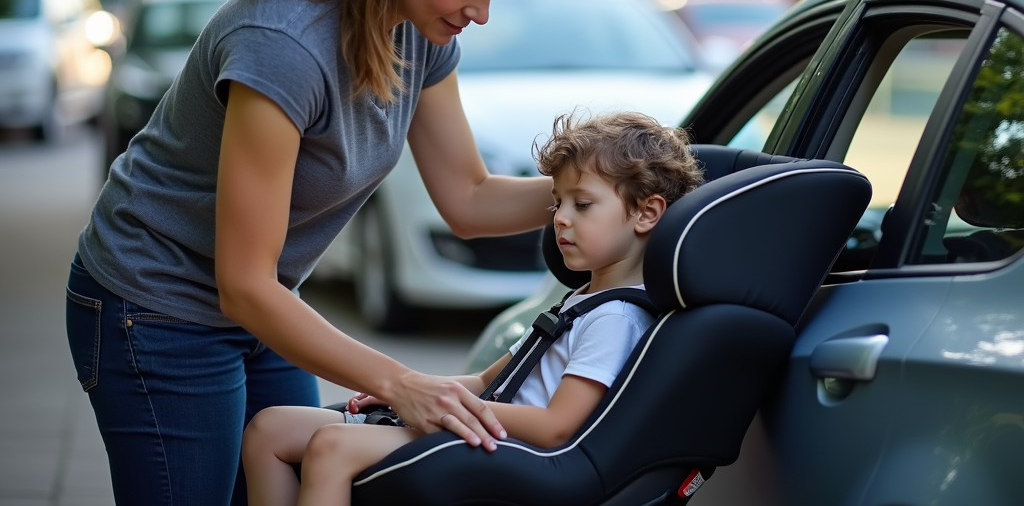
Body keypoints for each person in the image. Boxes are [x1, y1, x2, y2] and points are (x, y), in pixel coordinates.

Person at [64, 0, 558, 506]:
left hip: (261, 304)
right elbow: (242, 282)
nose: (479, 13)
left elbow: (469, 198)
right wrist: (398, 382)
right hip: (155, 306)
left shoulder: (422, 33)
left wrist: (591, 190)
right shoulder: (285, 45)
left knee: (296, 481)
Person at [241, 110, 704, 506]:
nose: (560, 217)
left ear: (647, 213)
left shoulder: (616, 318)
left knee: (331, 446)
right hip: (484, 419)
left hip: (508, 448)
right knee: (270, 429)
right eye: (557, 202)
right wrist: (413, 390)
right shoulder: (579, 302)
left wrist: (450, 412)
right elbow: (488, 380)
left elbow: (556, 427)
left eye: (583, 205)